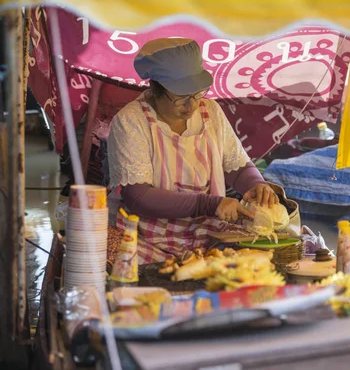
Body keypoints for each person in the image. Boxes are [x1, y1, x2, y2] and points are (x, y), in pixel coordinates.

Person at [107, 38, 279, 263]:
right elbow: (138, 197)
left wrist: (256, 184)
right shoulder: (131, 121)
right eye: (181, 98)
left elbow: (236, 166)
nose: (192, 105)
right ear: (155, 87)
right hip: (144, 238)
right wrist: (208, 204)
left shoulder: (211, 111)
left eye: (198, 93)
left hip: (208, 235)